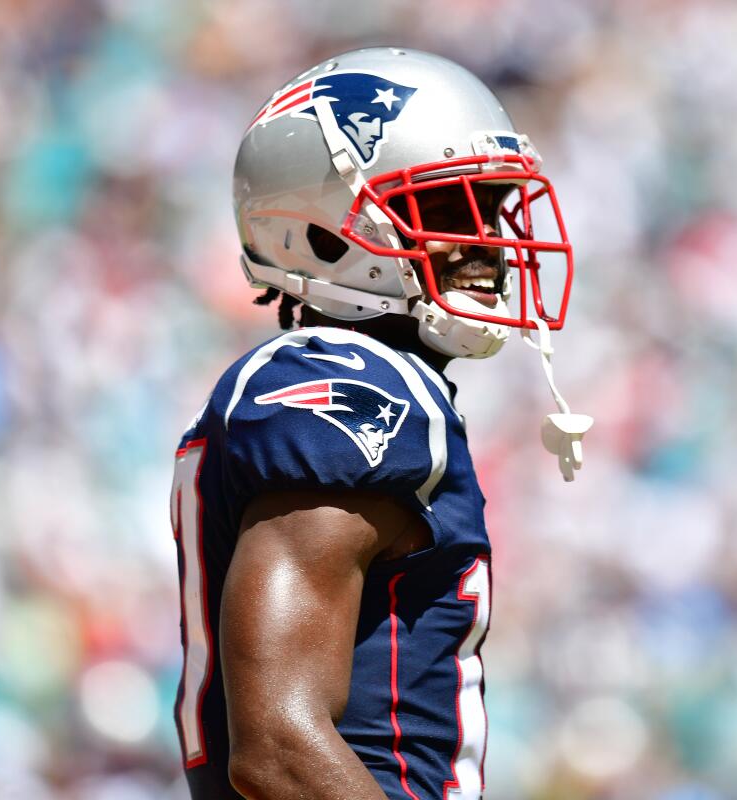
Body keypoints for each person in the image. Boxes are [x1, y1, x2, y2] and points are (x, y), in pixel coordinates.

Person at [170, 47, 590, 799]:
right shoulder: (344, 384)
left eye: (489, 206)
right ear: (326, 231)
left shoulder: (370, 381)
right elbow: (278, 750)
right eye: (446, 209)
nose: (486, 241)